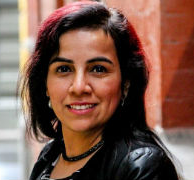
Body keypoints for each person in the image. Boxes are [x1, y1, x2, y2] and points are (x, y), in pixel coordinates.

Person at [19, 2, 180, 180]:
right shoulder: (50, 155)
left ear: (126, 83)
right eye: (64, 69)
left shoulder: (142, 167)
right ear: (45, 84)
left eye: (98, 69)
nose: (79, 87)